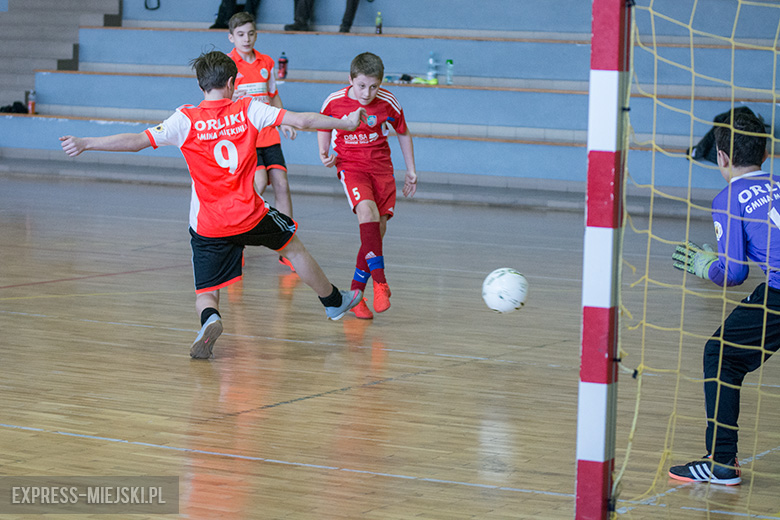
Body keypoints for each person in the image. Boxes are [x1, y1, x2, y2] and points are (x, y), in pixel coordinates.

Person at [59, 50, 366, 359]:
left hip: (209, 224)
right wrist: (346, 123)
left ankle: (210, 319)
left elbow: (137, 141)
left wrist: (87, 143)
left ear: (201, 85)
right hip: (250, 215)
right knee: (293, 248)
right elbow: (304, 120)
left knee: (206, 290)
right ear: (232, 83)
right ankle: (333, 301)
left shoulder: (185, 119)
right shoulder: (249, 108)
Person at [669, 110, 780, 485]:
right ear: (766, 155)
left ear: (722, 158)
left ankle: (721, 462)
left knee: (721, 355)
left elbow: (734, 273)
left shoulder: (729, 196)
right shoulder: (779, 183)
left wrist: (704, 266)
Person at [318, 52, 417, 319]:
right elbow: (323, 123)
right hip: (351, 166)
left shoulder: (388, 102)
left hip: (381, 168)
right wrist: (324, 150)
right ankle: (380, 283)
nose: (367, 92)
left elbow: (403, 132)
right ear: (350, 79)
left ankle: (355, 295)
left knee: (376, 229)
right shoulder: (335, 101)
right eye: (361, 85)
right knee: (367, 214)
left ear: (381, 83)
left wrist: (411, 171)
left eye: (373, 86)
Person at [227, 11, 297, 272]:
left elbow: (273, 96)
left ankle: (288, 246)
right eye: (241, 34)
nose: (247, 39)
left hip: (269, 135)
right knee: (258, 183)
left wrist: (285, 120)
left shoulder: (266, 62)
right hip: (245, 138)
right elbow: (221, 103)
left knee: (282, 183)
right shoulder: (227, 66)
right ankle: (237, 242)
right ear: (231, 37)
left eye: (251, 33)